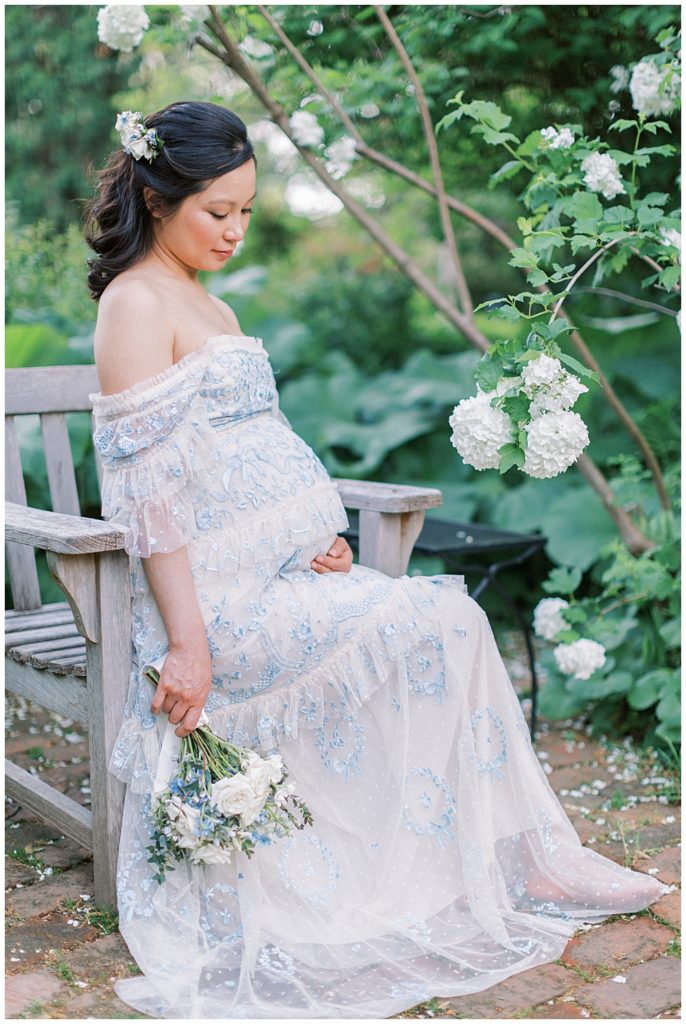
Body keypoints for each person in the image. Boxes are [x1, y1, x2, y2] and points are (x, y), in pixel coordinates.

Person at [86, 101, 665, 1020]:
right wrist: (187, 646)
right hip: (215, 611)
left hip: (282, 576)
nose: (235, 230)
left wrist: (309, 526)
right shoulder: (134, 304)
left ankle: (510, 853)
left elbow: (249, 448)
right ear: (158, 200)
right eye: (216, 212)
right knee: (442, 613)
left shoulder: (209, 298)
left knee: (444, 619)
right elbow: (152, 502)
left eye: (245, 210)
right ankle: (520, 856)